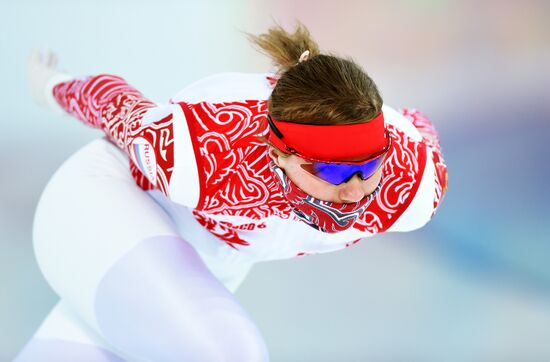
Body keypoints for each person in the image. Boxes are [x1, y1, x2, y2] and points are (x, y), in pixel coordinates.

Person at [17, 23, 448, 361]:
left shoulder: (408, 182)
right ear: (277, 152)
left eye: (368, 166)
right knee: (226, 352)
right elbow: (119, 106)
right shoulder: (207, 150)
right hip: (109, 202)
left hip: (205, 256)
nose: (355, 191)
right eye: (332, 170)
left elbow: (417, 125)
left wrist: (374, 159)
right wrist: (53, 84)